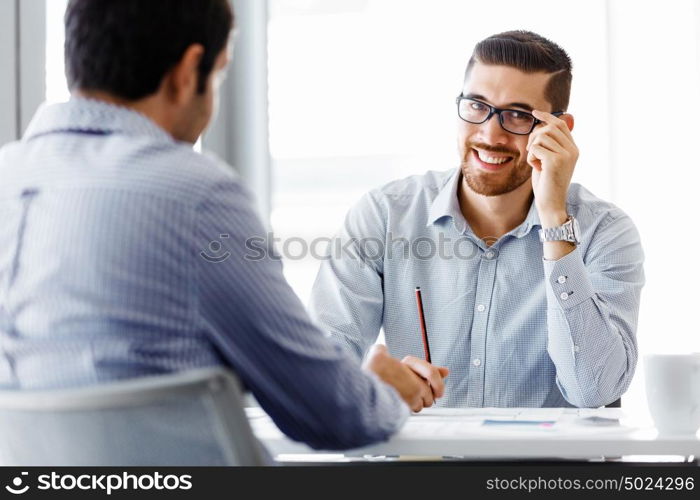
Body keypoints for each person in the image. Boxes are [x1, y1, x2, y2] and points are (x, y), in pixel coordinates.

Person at [0, 0, 448, 453]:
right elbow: (331, 413)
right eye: (216, 76)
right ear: (187, 72)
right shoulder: (192, 194)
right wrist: (383, 389)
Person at [310, 30, 644, 409]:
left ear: (559, 130)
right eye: (476, 106)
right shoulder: (384, 215)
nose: (490, 134)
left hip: (545, 469)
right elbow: (318, 372)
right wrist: (367, 380)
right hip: (421, 466)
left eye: (517, 115)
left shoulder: (605, 231)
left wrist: (555, 221)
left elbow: (593, 391)